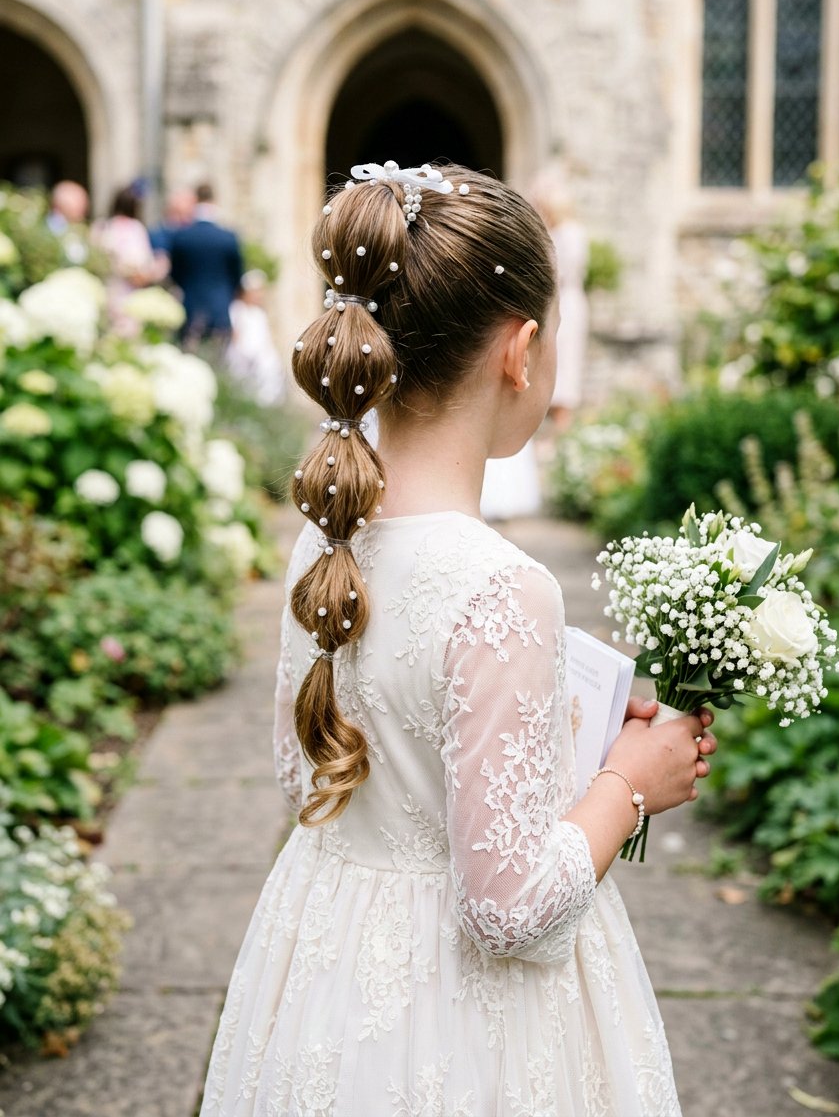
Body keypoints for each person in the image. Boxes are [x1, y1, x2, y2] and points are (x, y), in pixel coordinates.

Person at [199, 161, 717, 1117]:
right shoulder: (502, 590)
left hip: (329, 972)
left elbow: (306, 778)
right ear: (522, 350)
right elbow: (507, 909)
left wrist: (567, 741)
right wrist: (628, 784)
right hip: (465, 1023)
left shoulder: (326, 541)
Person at [530, 167, 590, 431]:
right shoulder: (551, 232)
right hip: (552, 301)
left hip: (567, 302)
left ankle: (562, 430)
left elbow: (565, 271)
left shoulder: (571, 232)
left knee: (566, 362)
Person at [168, 182, 243, 346]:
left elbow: (175, 274)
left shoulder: (182, 237)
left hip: (190, 308)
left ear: (195, 200)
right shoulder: (228, 238)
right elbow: (236, 277)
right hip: (220, 310)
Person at [92, 185, 158, 334]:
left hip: (107, 292)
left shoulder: (102, 227)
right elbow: (144, 264)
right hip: (129, 293)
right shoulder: (135, 229)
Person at [226, 269, 285, 405]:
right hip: (244, 361)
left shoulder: (259, 313)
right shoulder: (237, 309)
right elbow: (236, 337)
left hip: (263, 363)